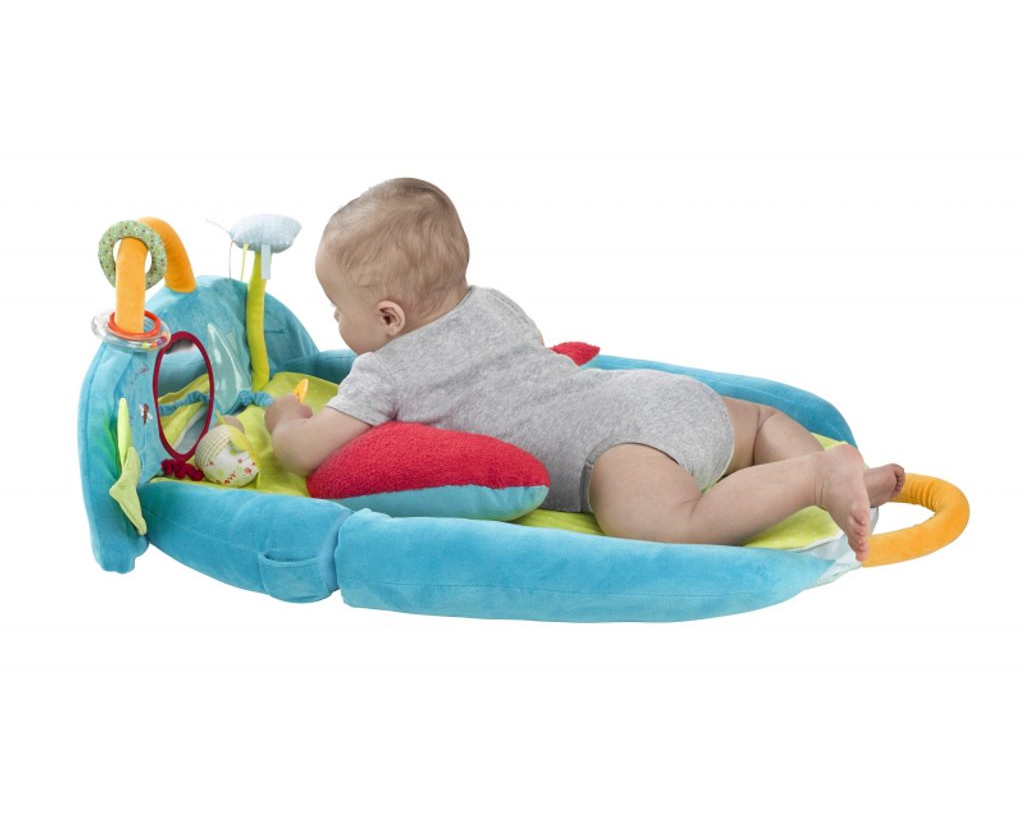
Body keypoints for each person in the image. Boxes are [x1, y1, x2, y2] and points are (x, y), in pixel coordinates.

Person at [265, 178, 903, 559]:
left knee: (674, 526)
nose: (334, 322)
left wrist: (284, 419)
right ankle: (830, 468)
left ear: (388, 317)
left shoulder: (383, 371)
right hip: (652, 396)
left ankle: (817, 478)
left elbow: (302, 454)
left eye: (336, 308)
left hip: (620, 448)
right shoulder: (492, 303)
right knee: (758, 422)